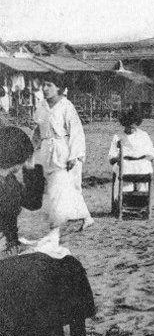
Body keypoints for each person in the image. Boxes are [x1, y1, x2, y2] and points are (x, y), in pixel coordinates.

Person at [0, 127, 98, 336]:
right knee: (37, 271)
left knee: (68, 264)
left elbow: (31, 205)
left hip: (10, 246)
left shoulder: (11, 181)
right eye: (22, 159)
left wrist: (34, 170)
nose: (22, 164)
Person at [33, 80, 93, 229]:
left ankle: (59, 221)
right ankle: (84, 216)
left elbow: (76, 131)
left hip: (63, 149)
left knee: (62, 185)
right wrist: (31, 149)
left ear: (58, 88)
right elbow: (37, 130)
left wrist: (74, 155)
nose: (45, 89)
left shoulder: (66, 106)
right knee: (56, 185)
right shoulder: (41, 106)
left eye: (49, 85)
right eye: (43, 85)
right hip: (47, 149)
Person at [108, 107, 154, 209]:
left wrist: (146, 158)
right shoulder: (118, 136)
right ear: (124, 124)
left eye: (133, 126)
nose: (130, 129)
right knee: (123, 170)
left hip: (140, 163)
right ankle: (124, 201)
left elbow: (151, 154)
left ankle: (142, 201)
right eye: (128, 126)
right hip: (124, 163)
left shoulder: (143, 135)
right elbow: (112, 158)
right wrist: (119, 158)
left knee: (144, 167)